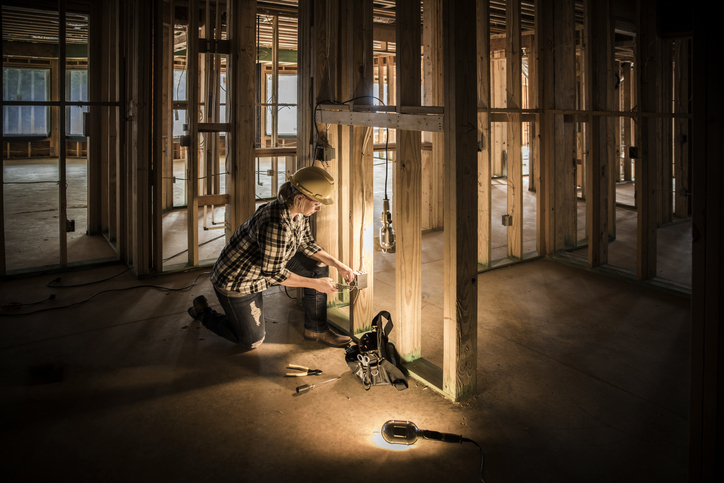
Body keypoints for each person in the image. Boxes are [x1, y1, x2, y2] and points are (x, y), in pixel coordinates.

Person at [187, 166, 354, 349]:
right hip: (239, 281)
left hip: (266, 268)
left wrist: (338, 265)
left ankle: (316, 329)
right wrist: (316, 284)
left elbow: (306, 244)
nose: (318, 208)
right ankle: (203, 312)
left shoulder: (297, 212)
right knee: (251, 341)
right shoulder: (276, 224)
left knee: (318, 264)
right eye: (316, 203)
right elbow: (274, 274)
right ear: (299, 198)